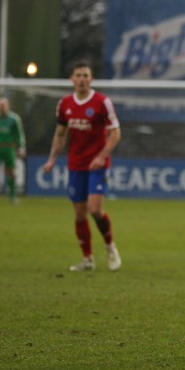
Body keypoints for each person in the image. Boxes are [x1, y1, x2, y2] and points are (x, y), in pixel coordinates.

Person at [43, 62, 122, 272]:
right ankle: (87, 259)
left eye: (86, 75)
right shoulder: (64, 104)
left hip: (97, 165)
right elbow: (60, 135)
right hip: (76, 164)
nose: (82, 79)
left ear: (91, 79)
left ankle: (109, 247)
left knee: (95, 210)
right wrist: (52, 160)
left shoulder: (102, 102)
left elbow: (115, 134)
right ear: (72, 79)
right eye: (78, 75)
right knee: (79, 214)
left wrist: (102, 156)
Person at [0, 96, 26, 203]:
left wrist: (21, 147)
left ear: (8, 106)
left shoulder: (14, 119)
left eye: (4, 105)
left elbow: (19, 134)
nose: (2, 108)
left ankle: (12, 196)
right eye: (0, 106)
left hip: (9, 148)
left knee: (11, 172)